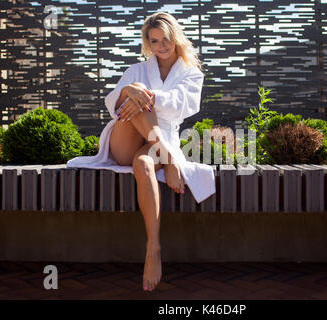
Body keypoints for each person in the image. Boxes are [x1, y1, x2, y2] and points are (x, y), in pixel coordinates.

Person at [66, 12, 216, 292]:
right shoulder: (138, 70)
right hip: (125, 140)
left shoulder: (191, 73)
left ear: (176, 38)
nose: (162, 46)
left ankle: (153, 249)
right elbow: (113, 103)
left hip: (157, 142)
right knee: (132, 90)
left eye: (167, 39)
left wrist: (151, 97)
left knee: (144, 162)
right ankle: (167, 155)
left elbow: (186, 105)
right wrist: (137, 93)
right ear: (148, 43)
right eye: (155, 41)